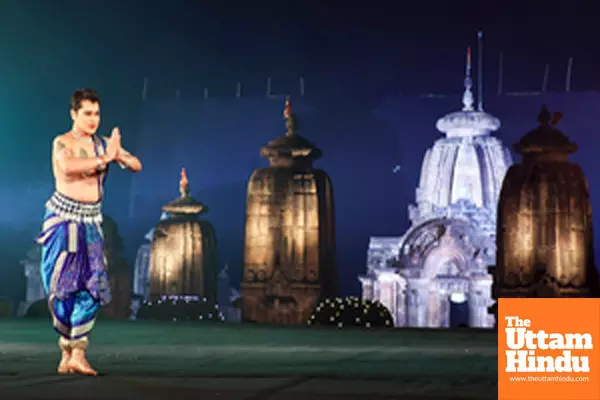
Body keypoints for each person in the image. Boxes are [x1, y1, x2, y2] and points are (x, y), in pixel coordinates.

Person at [35, 88, 142, 376]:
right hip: (62, 220)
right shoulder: (63, 143)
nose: (94, 119)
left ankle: (79, 352)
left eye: (97, 113)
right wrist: (104, 160)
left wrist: (119, 156)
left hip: (91, 223)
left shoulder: (103, 145)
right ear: (74, 114)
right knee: (60, 287)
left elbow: (136, 165)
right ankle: (66, 350)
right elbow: (67, 168)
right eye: (87, 113)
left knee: (94, 286)